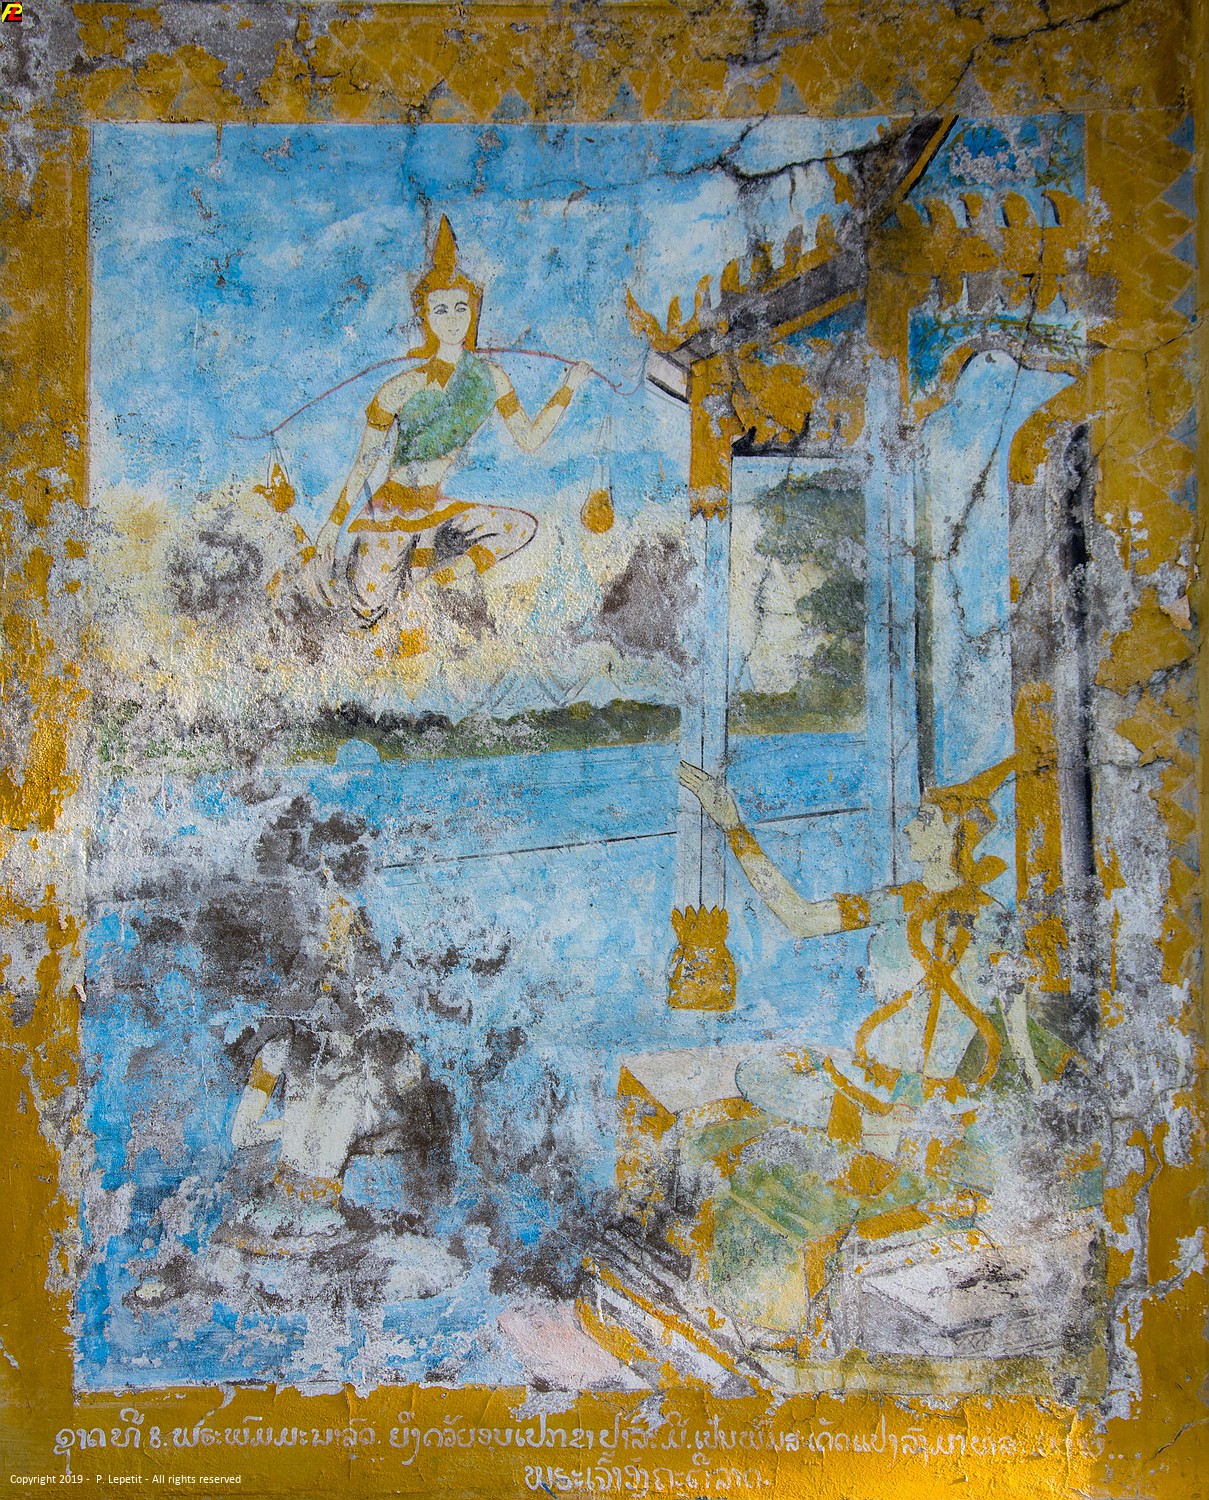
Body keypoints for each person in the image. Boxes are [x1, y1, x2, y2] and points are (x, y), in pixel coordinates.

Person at [678, 757, 1069, 1126]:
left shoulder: (992, 919)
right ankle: (877, 1128)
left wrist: (1038, 1093)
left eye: (924, 819)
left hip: (933, 1094)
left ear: (954, 832)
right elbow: (802, 918)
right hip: (876, 1078)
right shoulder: (900, 901)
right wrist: (734, 827)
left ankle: (882, 1129)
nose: (908, 828)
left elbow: (1015, 1024)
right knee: (757, 1071)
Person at [311, 216, 591, 654]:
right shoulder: (402, 386)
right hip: (391, 512)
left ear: (473, 310)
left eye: (461, 307)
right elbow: (365, 462)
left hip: (436, 511)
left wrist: (568, 387)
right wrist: (332, 525)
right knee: (367, 612)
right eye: (440, 309)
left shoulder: (489, 378)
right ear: (425, 315)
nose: (453, 318)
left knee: (519, 528)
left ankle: (433, 582)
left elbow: (530, 438)